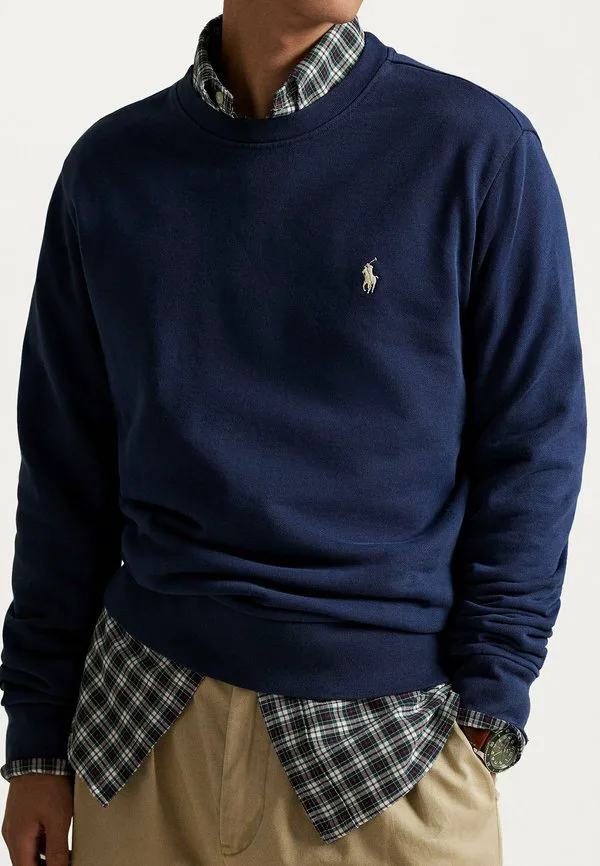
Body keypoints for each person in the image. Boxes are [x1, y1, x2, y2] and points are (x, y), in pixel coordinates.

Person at [0, 1, 587, 864]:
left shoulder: (478, 151)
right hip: (140, 733)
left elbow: (534, 446)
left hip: (386, 756)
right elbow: (64, 472)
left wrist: (489, 709)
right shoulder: (111, 170)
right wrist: (38, 744)